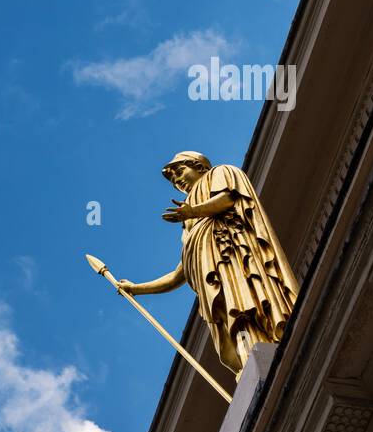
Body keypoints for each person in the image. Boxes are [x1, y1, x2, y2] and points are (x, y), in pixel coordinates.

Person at [117, 152, 298, 378]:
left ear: (199, 165)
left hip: (235, 260)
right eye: (174, 181)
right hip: (212, 279)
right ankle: (250, 361)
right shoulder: (188, 225)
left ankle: (270, 342)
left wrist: (194, 211)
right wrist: (136, 289)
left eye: (180, 172)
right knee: (234, 320)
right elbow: (178, 273)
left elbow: (228, 198)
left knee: (247, 304)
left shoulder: (220, 173)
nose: (178, 181)